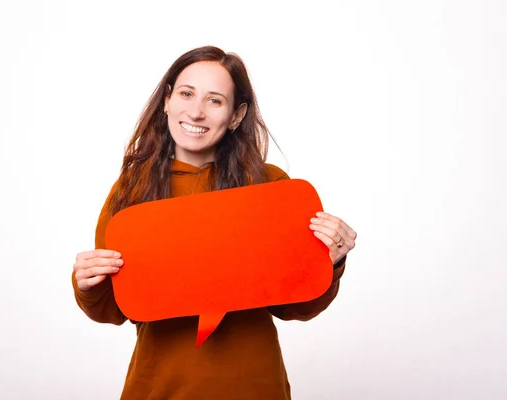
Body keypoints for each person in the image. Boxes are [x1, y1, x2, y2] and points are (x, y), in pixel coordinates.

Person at [72, 45, 357, 399]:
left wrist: (331, 261)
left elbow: (295, 306)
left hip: (254, 385)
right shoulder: (132, 191)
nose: (196, 111)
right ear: (167, 100)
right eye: (187, 93)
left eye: (215, 101)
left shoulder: (269, 186)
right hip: (159, 386)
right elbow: (115, 310)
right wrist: (88, 282)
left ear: (236, 116)